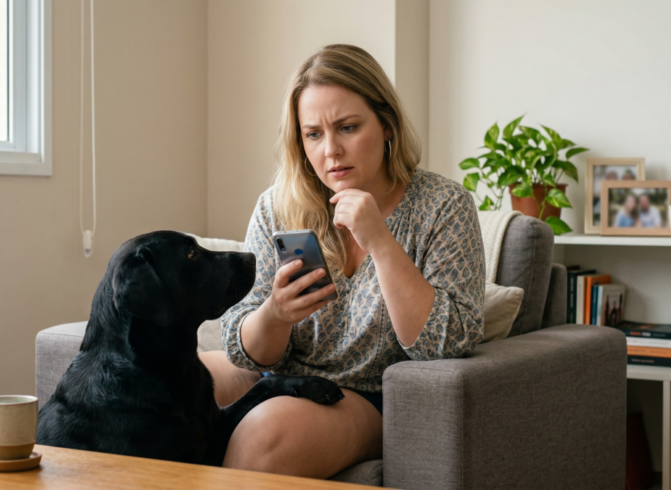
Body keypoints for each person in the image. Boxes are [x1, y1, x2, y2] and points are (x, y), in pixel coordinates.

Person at [198, 44, 485, 479]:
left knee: (265, 435)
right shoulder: (277, 207)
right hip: (281, 375)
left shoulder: (443, 206)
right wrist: (274, 316)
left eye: (347, 127)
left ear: (386, 125)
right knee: (154, 386)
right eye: (313, 134)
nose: (330, 150)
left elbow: (445, 344)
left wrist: (381, 242)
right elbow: (244, 350)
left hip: (367, 395)